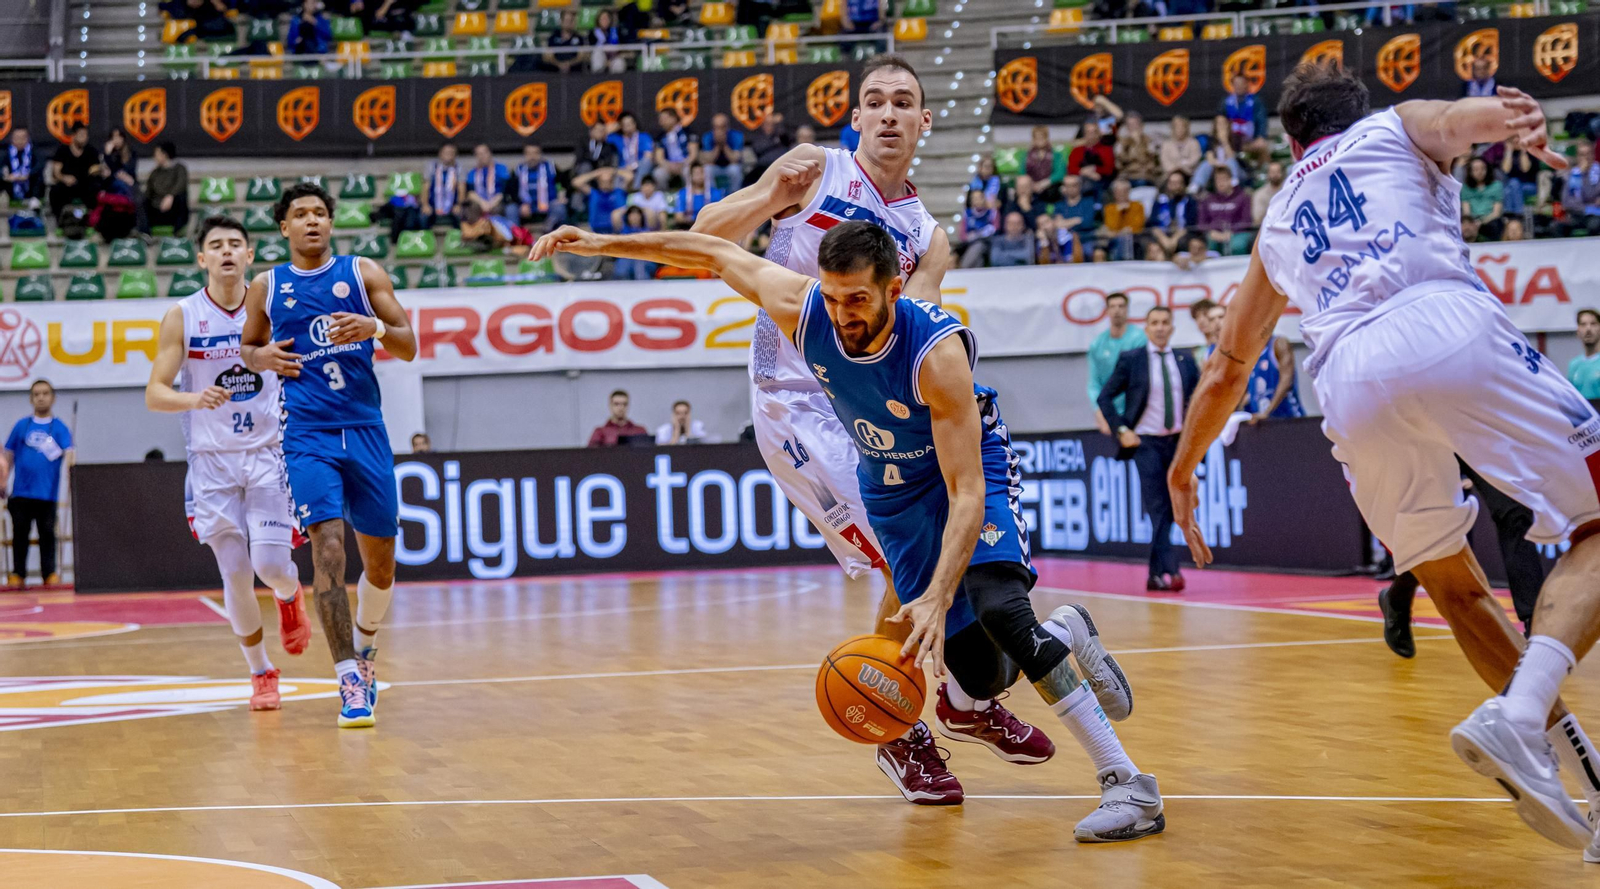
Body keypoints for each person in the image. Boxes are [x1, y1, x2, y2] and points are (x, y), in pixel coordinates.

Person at [534, 219, 1164, 841]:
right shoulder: (807, 311)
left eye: (858, 298)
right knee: (980, 678)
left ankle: (1128, 785)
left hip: (969, 473)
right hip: (891, 492)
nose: (842, 314)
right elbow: (711, 251)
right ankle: (1065, 631)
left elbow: (968, 493)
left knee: (999, 608)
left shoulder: (936, 354)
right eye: (833, 297)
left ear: (895, 288)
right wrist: (596, 243)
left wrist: (941, 595)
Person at [1164, 64, 1600, 854]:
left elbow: (1229, 364)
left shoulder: (1274, 222)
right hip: (1440, 321)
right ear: (1353, 113)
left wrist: (1183, 464)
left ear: (1292, 140)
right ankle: (1523, 711)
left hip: (1351, 385)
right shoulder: (1392, 126)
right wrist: (1515, 121)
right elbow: (1458, 120)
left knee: (1455, 587)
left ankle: (1579, 777)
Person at [691, 56, 1053, 808]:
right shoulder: (815, 171)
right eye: (874, 102)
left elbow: (912, 337)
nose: (888, 113)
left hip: (871, 411)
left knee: (931, 550)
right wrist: (771, 197)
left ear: (925, 123)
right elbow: (705, 237)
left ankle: (955, 696)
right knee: (901, 561)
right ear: (856, 118)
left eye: (904, 103)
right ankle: (908, 724)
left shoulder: (929, 235)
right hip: (796, 405)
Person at [241, 183, 417, 729]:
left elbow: (408, 344)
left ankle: (364, 650)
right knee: (329, 549)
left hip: (365, 427)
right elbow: (247, 350)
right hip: (308, 434)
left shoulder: (363, 274)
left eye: (320, 213)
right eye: (300, 214)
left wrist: (378, 328)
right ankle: (347, 679)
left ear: (331, 223)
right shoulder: (267, 287)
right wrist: (261, 356)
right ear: (284, 228)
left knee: (382, 560)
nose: (311, 221)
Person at [144, 215, 312, 712]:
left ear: (249, 256)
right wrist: (195, 399)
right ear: (201, 259)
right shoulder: (183, 315)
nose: (225, 252)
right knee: (235, 572)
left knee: (270, 565)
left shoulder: (275, 310)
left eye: (235, 244)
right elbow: (154, 393)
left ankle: (287, 593)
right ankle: (261, 672)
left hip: (267, 454)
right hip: (212, 462)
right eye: (215, 245)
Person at [1097, 307, 1198, 592]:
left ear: (1172, 328)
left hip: (1178, 443)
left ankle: (1155, 575)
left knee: (1174, 506)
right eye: (1154, 323)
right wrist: (1121, 429)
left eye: (1165, 323)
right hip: (1146, 443)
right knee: (1159, 507)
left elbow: (1199, 398)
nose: (1160, 328)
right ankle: (1173, 570)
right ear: (1146, 328)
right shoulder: (1133, 359)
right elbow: (1105, 397)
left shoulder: (1186, 360)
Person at [2, 380, 71, 589]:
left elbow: (69, 454)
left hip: (47, 494)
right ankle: (18, 574)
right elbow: (8, 456)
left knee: (48, 534)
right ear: (31, 398)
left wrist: (72, 475)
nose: (41, 397)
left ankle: (49, 573)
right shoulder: (21, 426)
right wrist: (2, 481)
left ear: (52, 397)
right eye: (37, 394)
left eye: (45, 393)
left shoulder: (59, 428)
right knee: (20, 534)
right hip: (22, 492)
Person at [1086, 292, 1148, 436]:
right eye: (1112, 306)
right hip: (1110, 410)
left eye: (1121, 306)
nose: (1117, 310)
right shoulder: (1097, 344)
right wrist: (1099, 411)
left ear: (1127, 309)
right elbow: (1094, 383)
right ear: (1107, 311)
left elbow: (1141, 381)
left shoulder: (1139, 339)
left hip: (1138, 411)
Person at [1243, 335, 1304, 421]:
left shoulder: (1279, 344)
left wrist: (1267, 412)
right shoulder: (1249, 351)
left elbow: (1286, 381)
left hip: (1288, 418)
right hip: (1262, 421)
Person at [49, 124, 103, 221]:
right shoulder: (62, 151)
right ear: (73, 135)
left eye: (86, 135)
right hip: (67, 185)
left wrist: (98, 171)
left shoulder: (91, 151)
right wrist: (64, 178)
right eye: (81, 135)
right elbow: (56, 173)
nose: (84, 138)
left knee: (96, 188)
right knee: (55, 191)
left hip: (85, 185)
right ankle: (60, 221)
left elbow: (95, 169)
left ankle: (91, 221)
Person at [1198, 167, 1253, 256]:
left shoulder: (1243, 197)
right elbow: (1202, 223)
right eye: (1218, 180)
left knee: (1236, 246)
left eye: (1224, 179)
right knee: (1210, 244)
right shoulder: (1207, 199)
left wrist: (1231, 232)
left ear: (1231, 180)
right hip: (1214, 233)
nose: (1221, 183)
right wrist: (1211, 232)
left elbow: (1246, 221)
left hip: (1237, 233)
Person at [514, 143, 566, 235]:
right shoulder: (519, 169)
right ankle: (517, 237)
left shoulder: (551, 168)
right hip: (527, 205)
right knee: (511, 209)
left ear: (540, 154)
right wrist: (521, 204)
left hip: (549, 202)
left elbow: (561, 183)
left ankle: (547, 230)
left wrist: (561, 195)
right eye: (529, 154)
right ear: (524, 155)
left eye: (535, 153)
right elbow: (512, 190)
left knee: (559, 208)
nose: (532, 157)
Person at [141, 141, 189, 235]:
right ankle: (145, 234)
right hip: (157, 208)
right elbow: (148, 192)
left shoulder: (179, 168)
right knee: (142, 201)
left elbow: (181, 184)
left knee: (181, 197)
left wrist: (170, 196)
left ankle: (178, 233)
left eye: (157, 154)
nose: (154, 157)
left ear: (164, 154)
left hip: (173, 209)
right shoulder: (155, 173)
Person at [1222, 73, 1270, 166]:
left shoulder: (1255, 101)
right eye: (1236, 84)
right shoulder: (1226, 103)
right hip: (1231, 143)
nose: (1239, 86)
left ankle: (1262, 174)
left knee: (1262, 146)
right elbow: (1220, 123)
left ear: (1247, 84)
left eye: (1241, 83)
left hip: (1249, 142)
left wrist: (1261, 136)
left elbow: (1262, 120)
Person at [1146, 170, 1196, 260]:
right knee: (1154, 248)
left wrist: (1174, 239)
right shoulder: (1160, 201)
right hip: (1163, 236)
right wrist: (1164, 239)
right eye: (1172, 183)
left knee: (1186, 243)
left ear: (1184, 185)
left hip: (1182, 236)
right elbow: (1153, 225)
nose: (1174, 186)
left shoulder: (1190, 201)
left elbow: (1190, 226)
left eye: (1178, 183)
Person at [1557, 140, 1600, 237]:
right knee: (1558, 226)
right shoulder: (1572, 174)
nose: (1586, 158)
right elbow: (1566, 201)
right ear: (1577, 157)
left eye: (1588, 154)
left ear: (1593, 155)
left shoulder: (1598, 172)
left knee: (1594, 225)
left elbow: (1589, 193)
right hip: (1576, 214)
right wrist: (1581, 174)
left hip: (1595, 215)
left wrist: (1585, 176)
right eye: (1582, 155)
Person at [466, 144, 513, 228]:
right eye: (479, 154)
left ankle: (499, 236)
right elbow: (470, 193)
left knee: (498, 209)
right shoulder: (472, 172)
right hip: (480, 202)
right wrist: (483, 203)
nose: (482, 156)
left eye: (484, 153)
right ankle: (476, 236)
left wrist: (491, 204)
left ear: (490, 153)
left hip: (496, 201)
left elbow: (504, 191)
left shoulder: (501, 169)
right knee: (472, 208)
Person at [1097, 178, 1144, 262]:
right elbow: (1111, 227)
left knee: (1126, 239)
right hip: (1114, 242)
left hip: (1135, 241)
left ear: (1129, 192)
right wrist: (1119, 212)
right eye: (1118, 191)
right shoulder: (1109, 209)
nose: (1122, 194)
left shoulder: (1137, 206)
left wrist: (1121, 232)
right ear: (1114, 193)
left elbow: (1138, 227)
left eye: (1125, 191)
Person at [1067, 119, 1115, 198]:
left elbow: (1109, 169)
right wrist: (1084, 171)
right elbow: (1071, 168)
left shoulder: (1106, 149)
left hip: (1101, 180)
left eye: (1094, 132)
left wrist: (1095, 169)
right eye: (1088, 132)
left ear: (1099, 133)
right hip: (1081, 180)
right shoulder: (1077, 150)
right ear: (1084, 134)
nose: (1091, 135)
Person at [574, 167, 628, 235]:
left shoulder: (619, 192)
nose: (606, 184)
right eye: (603, 181)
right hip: (597, 232)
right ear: (598, 182)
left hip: (616, 232)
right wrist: (597, 173)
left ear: (612, 181)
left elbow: (629, 177)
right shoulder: (594, 193)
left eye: (609, 181)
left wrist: (613, 171)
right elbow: (576, 182)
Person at [653, 108, 697, 191]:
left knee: (688, 172)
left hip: (685, 164)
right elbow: (659, 158)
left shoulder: (688, 132)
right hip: (669, 166)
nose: (661, 122)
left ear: (674, 118)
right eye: (660, 119)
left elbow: (693, 154)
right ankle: (665, 198)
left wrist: (683, 164)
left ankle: (689, 196)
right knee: (658, 173)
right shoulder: (660, 137)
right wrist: (669, 165)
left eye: (664, 119)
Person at [1461, 155, 1504, 239]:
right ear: (1470, 172)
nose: (1480, 172)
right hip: (1472, 220)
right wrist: (1472, 223)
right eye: (1476, 169)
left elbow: (1496, 213)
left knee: (1495, 225)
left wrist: (1481, 221)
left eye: (1482, 168)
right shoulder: (1465, 188)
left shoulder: (1497, 186)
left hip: (1490, 219)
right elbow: (1466, 212)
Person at [607, 112, 654, 188]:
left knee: (646, 163)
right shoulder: (616, 138)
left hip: (639, 167)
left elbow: (648, 156)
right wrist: (615, 126)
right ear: (621, 126)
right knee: (619, 175)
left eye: (630, 123)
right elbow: (603, 135)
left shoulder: (644, 137)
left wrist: (633, 166)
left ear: (635, 124)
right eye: (624, 124)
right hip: (623, 169)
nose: (628, 126)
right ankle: (619, 196)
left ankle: (637, 190)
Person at [422, 143, 464, 229]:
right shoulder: (432, 166)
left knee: (460, 217)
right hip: (433, 203)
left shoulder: (459, 168)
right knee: (422, 218)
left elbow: (462, 189)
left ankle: (458, 240)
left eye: (451, 153)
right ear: (440, 153)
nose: (448, 155)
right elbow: (425, 188)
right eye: (446, 152)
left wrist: (459, 205)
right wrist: (425, 205)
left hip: (453, 204)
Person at [701, 113, 745, 193]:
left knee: (735, 169)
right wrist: (717, 146)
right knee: (707, 169)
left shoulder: (737, 136)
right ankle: (713, 196)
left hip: (730, 166)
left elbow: (735, 159)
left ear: (727, 127)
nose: (719, 131)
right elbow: (708, 160)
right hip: (715, 167)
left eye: (722, 127)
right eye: (716, 127)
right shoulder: (707, 137)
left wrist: (724, 144)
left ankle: (734, 195)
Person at [670, 164, 724, 229]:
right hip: (688, 227)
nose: (700, 176)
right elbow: (679, 217)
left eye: (702, 173)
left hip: (710, 226)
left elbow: (720, 215)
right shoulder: (683, 193)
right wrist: (695, 222)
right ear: (691, 177)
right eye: (697, 174)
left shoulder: (715, 193)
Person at [1114, 110, 1159, 187]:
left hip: (1145, 176)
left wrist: (1138, 143)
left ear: (1141, 126)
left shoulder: (1149, 141)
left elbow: (1152, 162)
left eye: (1135, 124)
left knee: (1142, 182)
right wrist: (1129, 144)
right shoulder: (1121, 143)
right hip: (1127, 177)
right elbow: (1120, 163)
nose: (1133, 128)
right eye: (1130, 125)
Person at [957, 188, 997, 268]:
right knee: (978, 256)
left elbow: (996, 228)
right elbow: (962, 235)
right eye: (974, 198)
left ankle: (964, 267)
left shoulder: (991, 212)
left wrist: (982, 233)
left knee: (978, 246)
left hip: (987, 243)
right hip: (970, 243)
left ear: (984, 199)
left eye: (980, 198)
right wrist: (969, 237)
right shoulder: (967, 214)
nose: (977, 201)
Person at [1055, 174, 1099, 244]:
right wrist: (1077, 220)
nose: (1071, 189)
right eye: (1068, 186)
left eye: (1074, 185)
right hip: (1066, 241)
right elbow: (1058, 224)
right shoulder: (1059, 205)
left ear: (1080, 186)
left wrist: (1066, 223)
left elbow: (1088, 223)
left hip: (1086, 239)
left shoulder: (1089, 202)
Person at [1568, 308, 1600, 399]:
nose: (1588, 329)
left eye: (1593, 324)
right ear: (1578, 331)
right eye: (1583, 324)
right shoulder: (1573, 365)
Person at [541, 9, 586, 73]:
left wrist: (569, 64)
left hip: (574, 71)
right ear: (561, 22)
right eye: (567, 20)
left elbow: (582, 56)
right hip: (555, 70)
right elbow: (547, 56)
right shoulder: (553, 37)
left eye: (571, 21)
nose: (569, 23)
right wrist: (559, 64)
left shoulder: (578, 37)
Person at [1251, 161, 1285, 227]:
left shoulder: (1289, 190)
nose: (1275, 175)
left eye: (1278, 172)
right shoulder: (1259, 194)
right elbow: (1257, 219)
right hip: (1266, 229)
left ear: (1283, 173)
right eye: (1272, 172)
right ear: (1267, 174)